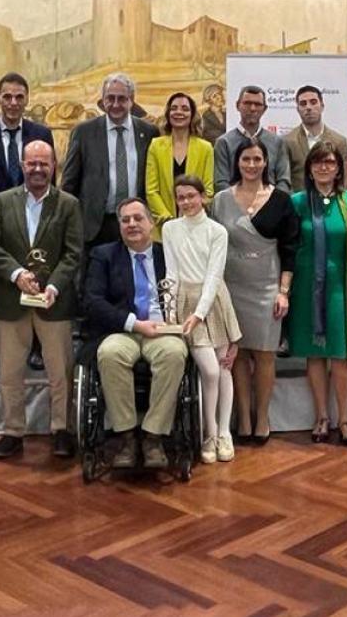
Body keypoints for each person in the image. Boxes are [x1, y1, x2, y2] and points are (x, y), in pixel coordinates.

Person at [0, 141, 82, 459]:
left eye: (44, 163)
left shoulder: (68, 204)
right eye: (32, 163)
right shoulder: (2, 201)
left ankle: (62, 430)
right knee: (10, 372)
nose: (38, 169)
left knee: (60, 371)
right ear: (22, 165)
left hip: (54, 303)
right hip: (12, 301)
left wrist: (54, 286)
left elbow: (73, 252)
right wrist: (16, 274)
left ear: (54, 166)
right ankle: (13, 431)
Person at [83, 198, 189, 470]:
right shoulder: (104, 255)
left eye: (137, 218)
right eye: (125, 220)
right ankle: (127, 436)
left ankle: (153, 437)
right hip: (123, 329)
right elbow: (92, 302)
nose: (132, 224)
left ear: (151, 222)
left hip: (163, 329)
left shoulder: (170, 254)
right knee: (109, 353)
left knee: (176, 354)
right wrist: (134, 323)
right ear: (118, 226)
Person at [0, 73, 55, 372]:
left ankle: (39, 345)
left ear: (27, 99)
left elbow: (47, 175)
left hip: (36, 220)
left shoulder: (41, 132)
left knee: (38, 276)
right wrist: (4, 213)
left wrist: (27, 212)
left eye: (19, 96)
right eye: (8, 96)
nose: (13, 102)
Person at [212, 139, 297, 445]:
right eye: (245, 159)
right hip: (231, 287)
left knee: (263, 355)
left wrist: (283, 291)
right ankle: (242, 418)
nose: (251, 164)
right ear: (237, 162)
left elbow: (290, 249)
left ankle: (262, 418)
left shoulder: (281, 200)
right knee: (237, 355)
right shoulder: (220, 200)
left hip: (267, 287)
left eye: (257, 159)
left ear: (266, 163)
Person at [289, 141, 347, 448]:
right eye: (318, 163)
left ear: (339, 168)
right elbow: (290, 246)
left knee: (341, 354)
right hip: (307, 286)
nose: (324, 167)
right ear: (309, 168)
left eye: (330, 163)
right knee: (315, 352)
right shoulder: (297, 203)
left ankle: (345, 419)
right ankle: (322, 417)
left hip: (342, 288)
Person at [162, 174, 242, 463]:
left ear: (203, 196)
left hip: (214, 301)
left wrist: (199, 314)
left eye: (190, 196)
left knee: (222, 368)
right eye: (180, 197)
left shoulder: (217, 231)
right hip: (185, 300)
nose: (185, 202)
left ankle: (224, 433)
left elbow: (213, 276)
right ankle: (207, 433)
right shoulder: (170, 228)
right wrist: (171, 312)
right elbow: (171, 273)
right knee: (208, 370)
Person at [62, 73, 160, 250]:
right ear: (102, 100)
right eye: (110, 98)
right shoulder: (84, 132)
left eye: (122, 99)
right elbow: (70, 184)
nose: (115, 105)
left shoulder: (149, 132)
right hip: (94, 227)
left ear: (132, 100)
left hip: (135, 223)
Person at [145, 92, 214, 238]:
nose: (179, 112)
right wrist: (169, 220)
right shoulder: (155, 146)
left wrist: (188, 216)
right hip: (163, 228)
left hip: (195, 228)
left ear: (192, 114)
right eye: (174, 108)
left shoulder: (205, 148)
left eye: (185, 108)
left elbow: (207, 190)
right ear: (168, 114)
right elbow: (151, 190)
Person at [213, 85, 290, 192]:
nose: (252, 108)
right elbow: (221, 183)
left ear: (264, 109)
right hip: (234, 206)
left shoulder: (277, 142)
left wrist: (273, 203)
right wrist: (240, 203)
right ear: (237, 106)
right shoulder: (224, 142)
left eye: (258, 104)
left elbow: (284, 181)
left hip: (272, 206)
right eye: (247, 103)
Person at [283, 85, 347, 192]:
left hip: (332, 203)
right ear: (298, 109)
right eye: (303, 104)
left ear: (322, 106)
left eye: (313, 102)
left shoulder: (339, 141)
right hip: (298, 205)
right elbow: (284, 180)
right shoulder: (287, 141)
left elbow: (344, 178)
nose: (308, 107)